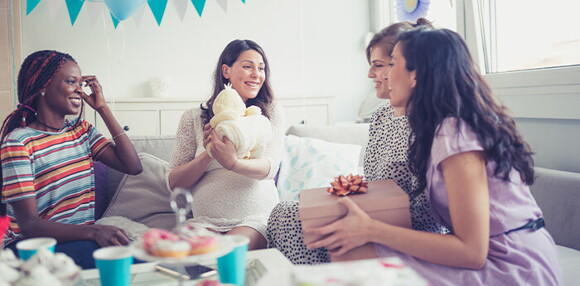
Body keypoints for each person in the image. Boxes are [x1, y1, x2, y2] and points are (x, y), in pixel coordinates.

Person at [304, 27, 563, 285]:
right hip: (490, 254)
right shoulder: (437, 127)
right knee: (349, 250)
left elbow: (472, 252)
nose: (384, 76)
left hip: (510, 264)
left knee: (356, 252)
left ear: (416, 75)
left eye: (392, 63)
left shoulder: (455, 133)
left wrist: (372, 230)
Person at [267, 18, 448, 265]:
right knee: (287, 212)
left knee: (293, 219)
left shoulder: (433, 124)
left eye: (379, 65)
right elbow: (374, 184)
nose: (370, 74)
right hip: (374, 215)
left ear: (409, 67)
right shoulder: (380, 117)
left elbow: (429, 209)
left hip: (409, 231)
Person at [1, 50, 143, 269]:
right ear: (43, 87)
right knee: (122, 261)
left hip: (79, 242)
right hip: (31, 248)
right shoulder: (18, 142)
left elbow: (132, 166)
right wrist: (95, 231)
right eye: (71, 82)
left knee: (139, 259)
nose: (79, 89)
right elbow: (29, 225)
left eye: (80, 83)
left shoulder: (81, 131)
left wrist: (103, 108)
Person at [167, 39, 284, 250]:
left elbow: (269, 167)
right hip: (204, 221)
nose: (257, 74)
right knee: (190, 253)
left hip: (253, 219)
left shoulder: (269, 113)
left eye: (261, 68)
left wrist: (233, 163)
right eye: (248, 66)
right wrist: (210, 152)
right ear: (226, 71)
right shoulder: (194, 118)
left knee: (229, 252)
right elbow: (174, 183)